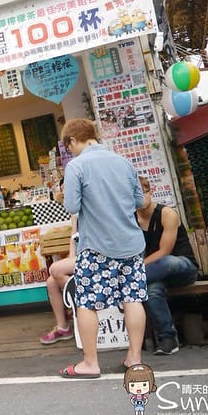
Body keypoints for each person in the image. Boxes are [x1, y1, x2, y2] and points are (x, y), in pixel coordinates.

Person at [60, 118, 147, 379]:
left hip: (97, 246)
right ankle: (134, 357)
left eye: (68, 147)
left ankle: (90, 362)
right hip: (131, 244)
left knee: (86, 302)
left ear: (73, 140)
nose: (70, 151)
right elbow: (139, 200)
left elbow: (72, 207)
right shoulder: (122, 161)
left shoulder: (76, 166)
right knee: (132, 299)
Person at [135, 176, 198, 355]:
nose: (139, 198)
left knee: (166, 262)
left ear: (150, 192)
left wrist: (137, 271)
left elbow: (165, 251)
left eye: (142, 193)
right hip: (155, 274)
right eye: (134, 195)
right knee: (153, 290)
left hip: (181, 267)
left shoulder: (167, 213)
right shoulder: (131, 220)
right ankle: (167, 338)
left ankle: (130, 283)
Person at [38, 217, 77, 345]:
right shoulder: (76, 212)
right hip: (82, 258)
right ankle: (63, 327)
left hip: (97, 256)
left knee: (55, 269)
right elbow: (74, 237)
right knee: (51, 282)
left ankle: (78, 306)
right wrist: (71, 258)